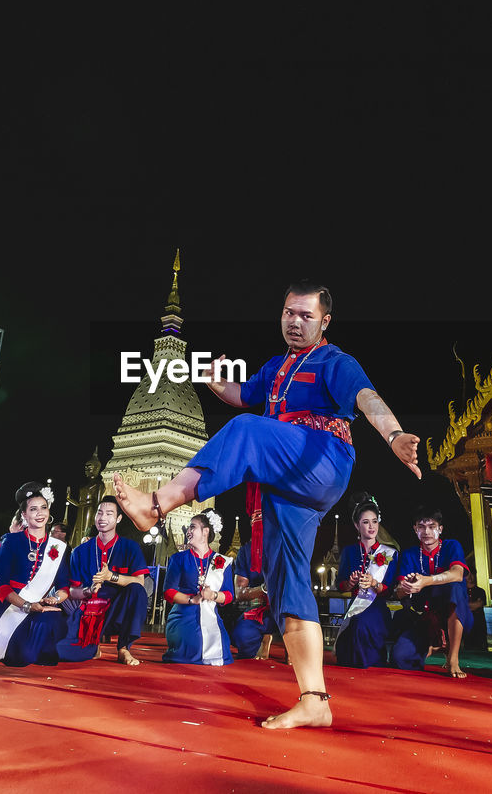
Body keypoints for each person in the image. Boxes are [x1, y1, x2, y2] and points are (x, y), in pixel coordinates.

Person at [111, 281, 421, 729]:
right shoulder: (276, 367)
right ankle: (315, 699)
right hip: (286, 483)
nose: (295, 322)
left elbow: (366, 398)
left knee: (245, 431)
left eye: (306, 316)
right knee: (287, 583)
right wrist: (216, 383)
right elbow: (244, 395)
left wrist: (393, 436)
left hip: (322, 460)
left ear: (325, 321)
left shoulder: (335, 362)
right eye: (289, 313)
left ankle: (156, 505)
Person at [0, 483, 71, 667]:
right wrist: (26, 605)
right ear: (24, 515)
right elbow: (1, 587)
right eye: (33, 509)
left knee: (53, 623)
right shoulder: (11, 541)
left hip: (39, 607)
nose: (40, 513)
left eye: (43, 508)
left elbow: (64, 588)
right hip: (7, 607)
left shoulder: (58, 548)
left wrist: (54, 599)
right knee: (20, 658)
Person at [56, 497, 149, 666]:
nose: (102, 518)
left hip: (116, 612)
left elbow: (139, 582)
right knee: (60, 654)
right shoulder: (80, 551)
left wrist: (110, 576)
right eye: (99, 513)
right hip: (88, 613)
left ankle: (123, 648)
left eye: (109, 514)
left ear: (118, 519)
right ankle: (93, 645)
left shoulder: (130, 547)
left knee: (136, 590)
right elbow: (72, 591)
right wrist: (88, 591)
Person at [389, 507, 471, 678]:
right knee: (400, 658)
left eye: (431, 526)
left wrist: (426, 581)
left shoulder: (451, 546)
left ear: (440, 529)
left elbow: (458, 574)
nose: (426, 531)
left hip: (455, 614)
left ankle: (453, 658)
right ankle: (434, 645)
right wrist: (407, 587)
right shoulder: (410, 554)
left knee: (455, 587)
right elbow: (398, 593)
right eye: (421, 526)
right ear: (415, 529)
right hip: (424, 619)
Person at [333, 493, 398, 668]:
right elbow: (340, 585)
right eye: (365, 522)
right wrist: (350, 583)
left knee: (362, 624)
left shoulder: (389, 553)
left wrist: (374, 584)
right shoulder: (349, 551)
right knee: (352, 629)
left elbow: (391, 590)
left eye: (374, 521)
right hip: (355, 605)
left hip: (377, 606)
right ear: (356, 525)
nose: (371, 527)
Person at [162, 513, 235, 665]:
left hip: (211, 614)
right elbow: (168, 592)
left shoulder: (222, 562)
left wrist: (212, 595)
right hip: (183, 614)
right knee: (194, 645)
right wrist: (191, 600)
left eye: (193, 527)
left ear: (205, 531)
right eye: (189, 527)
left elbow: (228, 596)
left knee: (222, 647)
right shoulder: (179, 559)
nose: (188, 531)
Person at [227, 540, 279, 660]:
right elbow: (240, 593)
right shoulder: (247, 551)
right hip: (259, 608)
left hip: (285, 608)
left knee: (297, 646)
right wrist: (265, 588)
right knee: (241, 635)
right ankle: (263, 637)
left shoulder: (286, 545)